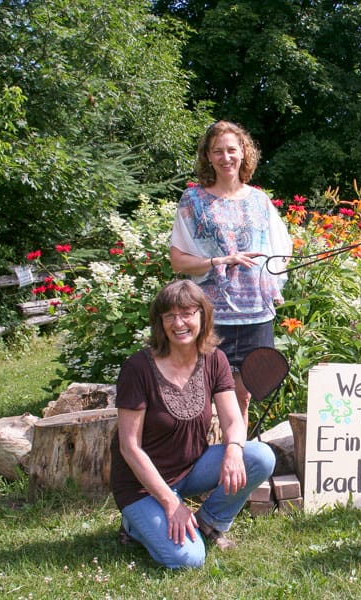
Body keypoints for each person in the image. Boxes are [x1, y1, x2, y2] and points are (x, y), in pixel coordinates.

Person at [110, 280, 276, 569]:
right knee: (188, 559)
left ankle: (209, 523)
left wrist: (234, 450)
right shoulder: (137, 368)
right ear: (159, 323)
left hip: (191, 468)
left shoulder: (214, 359)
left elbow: (233, 418)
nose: (179, 323)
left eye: (187, 313)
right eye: (169, 316)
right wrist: (171, 504)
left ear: (203, 315)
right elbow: (130, 447)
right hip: (142, 484)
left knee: (259, 456)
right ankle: (134, 525)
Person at [169, 121, 292, 428]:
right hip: (213, 315)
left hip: (255, 315)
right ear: (208, 157)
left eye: (232, 150)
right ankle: (202, 467)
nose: (226, 157)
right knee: (203, 397)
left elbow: (282, 250)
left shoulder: (260, 201)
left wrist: (271, 283)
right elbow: (178, 261)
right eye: (218, 151)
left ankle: (237, 462)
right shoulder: (193, 202)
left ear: (243, 153)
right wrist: (219, 260)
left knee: (243, 395)